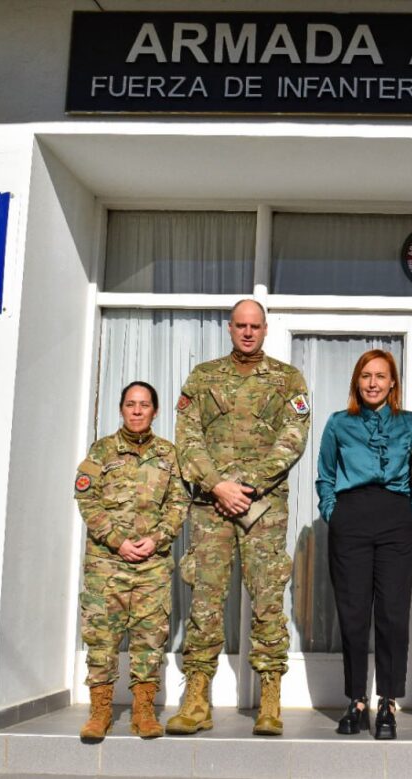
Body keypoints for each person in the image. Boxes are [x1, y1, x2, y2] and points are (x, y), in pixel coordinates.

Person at [165, 299, 311, 737]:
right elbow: (186, 439)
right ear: (230, 328)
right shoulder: (203, 377)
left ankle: (269, 698)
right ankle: (196, 698)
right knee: (206, 602)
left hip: (262, 506)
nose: (248, 333)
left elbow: (293, 438)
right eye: (240, 326)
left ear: (266, 330)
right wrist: (217, 485)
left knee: (267, 600)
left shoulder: (288, 380)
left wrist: (242, 485)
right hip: (211, 508)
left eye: (255, 326)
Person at [316, 350, 412, 740]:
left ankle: (388, 702)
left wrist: (410, 510)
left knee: (393, 616)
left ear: (393, 382)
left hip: (395, 519)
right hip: (352, 519)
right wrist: (334, 512)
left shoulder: (410, 423)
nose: (373, 383)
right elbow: (325, 474)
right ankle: (356, 700)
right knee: (354, 614)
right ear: (356, 382)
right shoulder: (338, 423)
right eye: (366, 376)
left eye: (381, 376)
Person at [74, 381, 188, 741]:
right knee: (102, 637)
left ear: (155, 410)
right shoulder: (101, 451)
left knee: (149, 638)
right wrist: (117, 540)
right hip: (107, 564)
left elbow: (179, 504)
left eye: (144, 405)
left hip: (152, 564)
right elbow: (87, 501)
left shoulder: (170, 455)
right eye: (130, 404)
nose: (137, 411)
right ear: (121, 409)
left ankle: (143, 711)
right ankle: (100, 712)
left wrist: (157, 538)